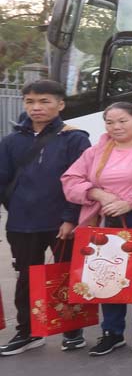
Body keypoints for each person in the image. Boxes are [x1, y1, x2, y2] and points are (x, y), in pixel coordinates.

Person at [0, 80, 91, 356]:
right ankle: (28, 332)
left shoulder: (75, 138)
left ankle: (73, 330)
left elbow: (81, 181)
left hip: (62, 222)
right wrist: (15, 207)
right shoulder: (11, 142)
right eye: (30, 102)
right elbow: (3, 181)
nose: (36, 107)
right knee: (26, 276)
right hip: (21, 223)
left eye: (44, 101)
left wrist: (70, 218)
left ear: (60, 104)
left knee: (66, 276)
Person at [61, 103, 132, 357]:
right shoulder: (95, 152)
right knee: (106, 274)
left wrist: (130, 202)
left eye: (122, 121)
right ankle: (111, 332)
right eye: (110, 122)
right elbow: (70, 180)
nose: (116, 127)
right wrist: (98, 194)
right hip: (105, 222)